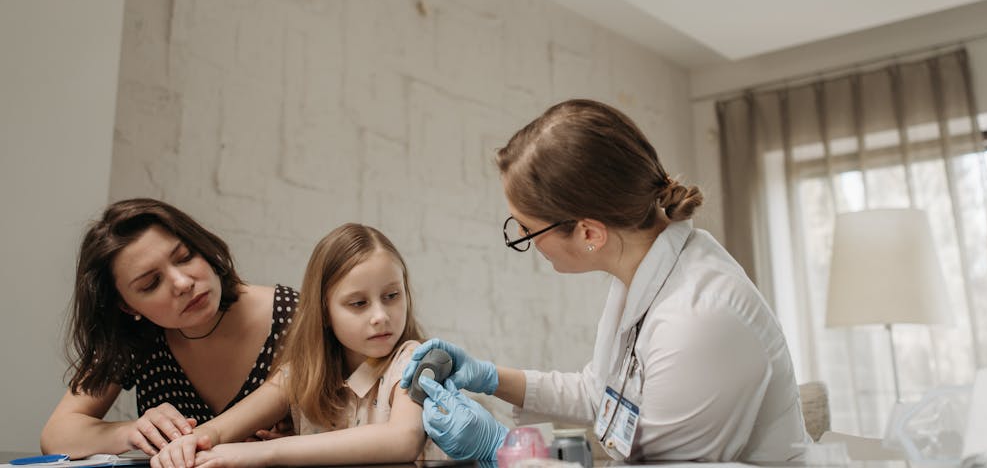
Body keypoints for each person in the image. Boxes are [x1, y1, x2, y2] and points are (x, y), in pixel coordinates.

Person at [401, 99, 811, 462]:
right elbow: (600, 393)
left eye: (527, 230)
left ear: (589, 234)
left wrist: (502, 448)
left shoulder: (697, 319)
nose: (527, 242)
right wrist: (490, 377)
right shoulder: (640, 273)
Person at [149, 223, 442, 468]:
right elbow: (219, 428)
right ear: (324, 312)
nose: (380, 316)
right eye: (358, 303)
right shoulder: (299, 376)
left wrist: (266, 453)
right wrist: (188, 444)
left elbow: (403, 440)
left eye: (392, 296)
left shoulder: (416, 360)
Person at [41, 199, 300, 458]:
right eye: (151, 283)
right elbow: (56, 436)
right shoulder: (136, 335)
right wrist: (133, 432)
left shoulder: (297, 316)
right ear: (128, 307)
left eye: (185, 257)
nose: (182, 283)